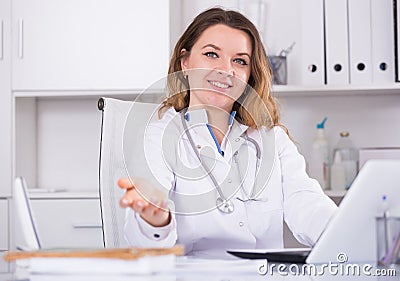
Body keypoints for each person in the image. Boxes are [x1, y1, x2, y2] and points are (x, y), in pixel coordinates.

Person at [118, 7, 337, 258]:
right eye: (212, 54)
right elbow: (146, 244)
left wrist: (346, 231)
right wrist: (155, 218)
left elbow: (307, 203)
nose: (226, 70)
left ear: (249, 75)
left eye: (240, 61)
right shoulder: (160, 134)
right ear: (185, 62)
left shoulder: (272, 139)